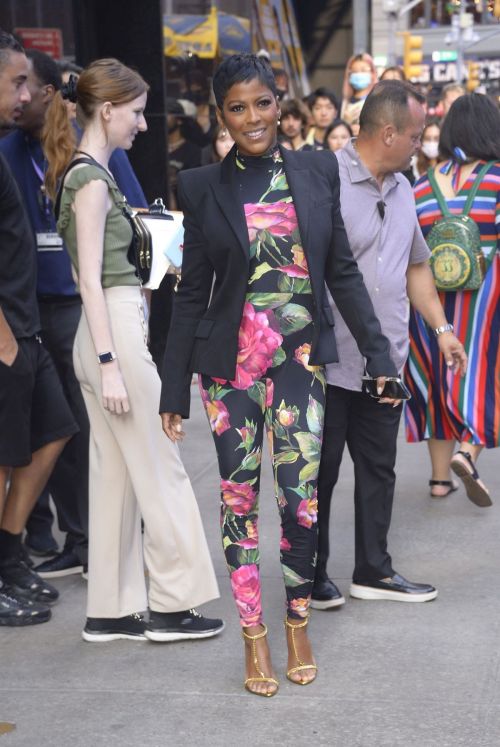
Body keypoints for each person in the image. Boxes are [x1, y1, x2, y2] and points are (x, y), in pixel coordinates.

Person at [159, 53, 398, 697]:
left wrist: (377, 353)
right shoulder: (202, 182)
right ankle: (253, 638)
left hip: (299, 365)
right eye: (237, 108)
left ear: (279, 102)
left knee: (302, 502)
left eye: (262, 103)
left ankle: (297, 623)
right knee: (239, 503)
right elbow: (192, 293)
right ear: (222, 115)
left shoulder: (318, 170)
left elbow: (341, 270)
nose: (253, 118)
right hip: (228, 372)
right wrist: (171, 383)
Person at [42, 57, 223, 642]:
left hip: (105, 332)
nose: (144, 125)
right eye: (139, 113)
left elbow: (93, 274)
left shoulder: (86, 173)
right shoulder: (91, 178)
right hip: (110, 333)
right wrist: (110, 363)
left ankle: (112, 609)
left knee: (117, 472)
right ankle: (174, 603)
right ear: (110, 109)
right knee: (162, 464)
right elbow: (89, 280)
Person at [312, 80, 467, 611]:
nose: (422, 143)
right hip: (327, 362)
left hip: (385, 363)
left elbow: (416, 264)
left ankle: (373, 571)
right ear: (387, 133)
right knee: (320, 470)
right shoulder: (323, 177)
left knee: (379, 468)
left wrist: (443, 330)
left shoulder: (404, 188)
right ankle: (311, 576)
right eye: (416, 133)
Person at [0, 49, 148, 579]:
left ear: (48, 94)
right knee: (52, 431)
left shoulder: (93, 154)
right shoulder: (7, 150)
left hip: (85, 305)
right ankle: (76, 536)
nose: (22, 99)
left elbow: (136, 221)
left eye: (29, 87)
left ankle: (111, 540)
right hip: (29, 308)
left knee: (88, 428)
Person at [0, 29, 79, 626]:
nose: (27, 94)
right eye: (17, 81)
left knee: (54, 429)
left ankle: (9, 553)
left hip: (25, 326)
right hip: (8, 330)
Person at [405, 93, 499, 505]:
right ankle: (468, 452)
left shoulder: (422, 185)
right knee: (482, 375)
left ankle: (439, 480)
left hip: (429, 300)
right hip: (486, 298)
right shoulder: (496, 178)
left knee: (439, 382)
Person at [166, 97, 203, 209]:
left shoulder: (193, 151)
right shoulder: (155, 150)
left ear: (179, 120)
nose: (164, 118)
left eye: (168, 114)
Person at [341, 53, 378, 132]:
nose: (359, 74)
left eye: (363, 70)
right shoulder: (343, 103)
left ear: (373, 73)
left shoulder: (378, 102)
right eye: (354, 71)